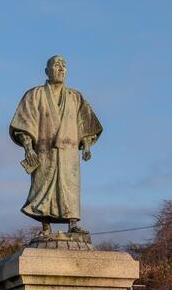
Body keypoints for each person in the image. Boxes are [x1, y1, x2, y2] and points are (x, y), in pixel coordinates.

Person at [9, 55, 102, 237]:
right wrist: (28, 147)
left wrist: (87, 144)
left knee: (70, 186)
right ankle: (45, 227)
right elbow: (24, 123)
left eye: (64, 66)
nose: (61, 69)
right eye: (56, 65)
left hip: (69, 152)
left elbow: (86, 124)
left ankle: (72, 224)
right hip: (44, 150)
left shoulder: (75, 97)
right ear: (47, 71)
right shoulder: (35, 95)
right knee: (42, 186)